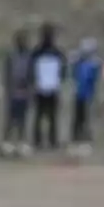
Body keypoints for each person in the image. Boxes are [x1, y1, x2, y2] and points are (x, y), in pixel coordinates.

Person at [31, 22, 66, 151]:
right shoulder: (54, 52)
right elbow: (63, 69)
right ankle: (45, 141)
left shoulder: (38, 52)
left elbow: (63, 69)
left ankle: (46, 141)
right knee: (45, 117)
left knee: (46, 117)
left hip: (47, 87)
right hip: (45, 87)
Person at [1, 31, 33, 157]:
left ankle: (21, 143)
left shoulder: (28, 57)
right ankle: (7, 143)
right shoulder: (11, 57)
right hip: (13, 92)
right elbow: (8, 74)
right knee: (10, 119)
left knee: (22, 119)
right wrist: (9, 90)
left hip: (24, 91)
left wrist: (29, 89)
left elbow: (31, 75)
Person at [70, 38, 100, 151]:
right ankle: (75, 137)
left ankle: (86, 137)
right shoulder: (79, 62)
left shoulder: (93, 64)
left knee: (87, 118)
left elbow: (94, 78)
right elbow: (73, 74)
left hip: (88, 95)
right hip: (79, 93)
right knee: (78, 118)